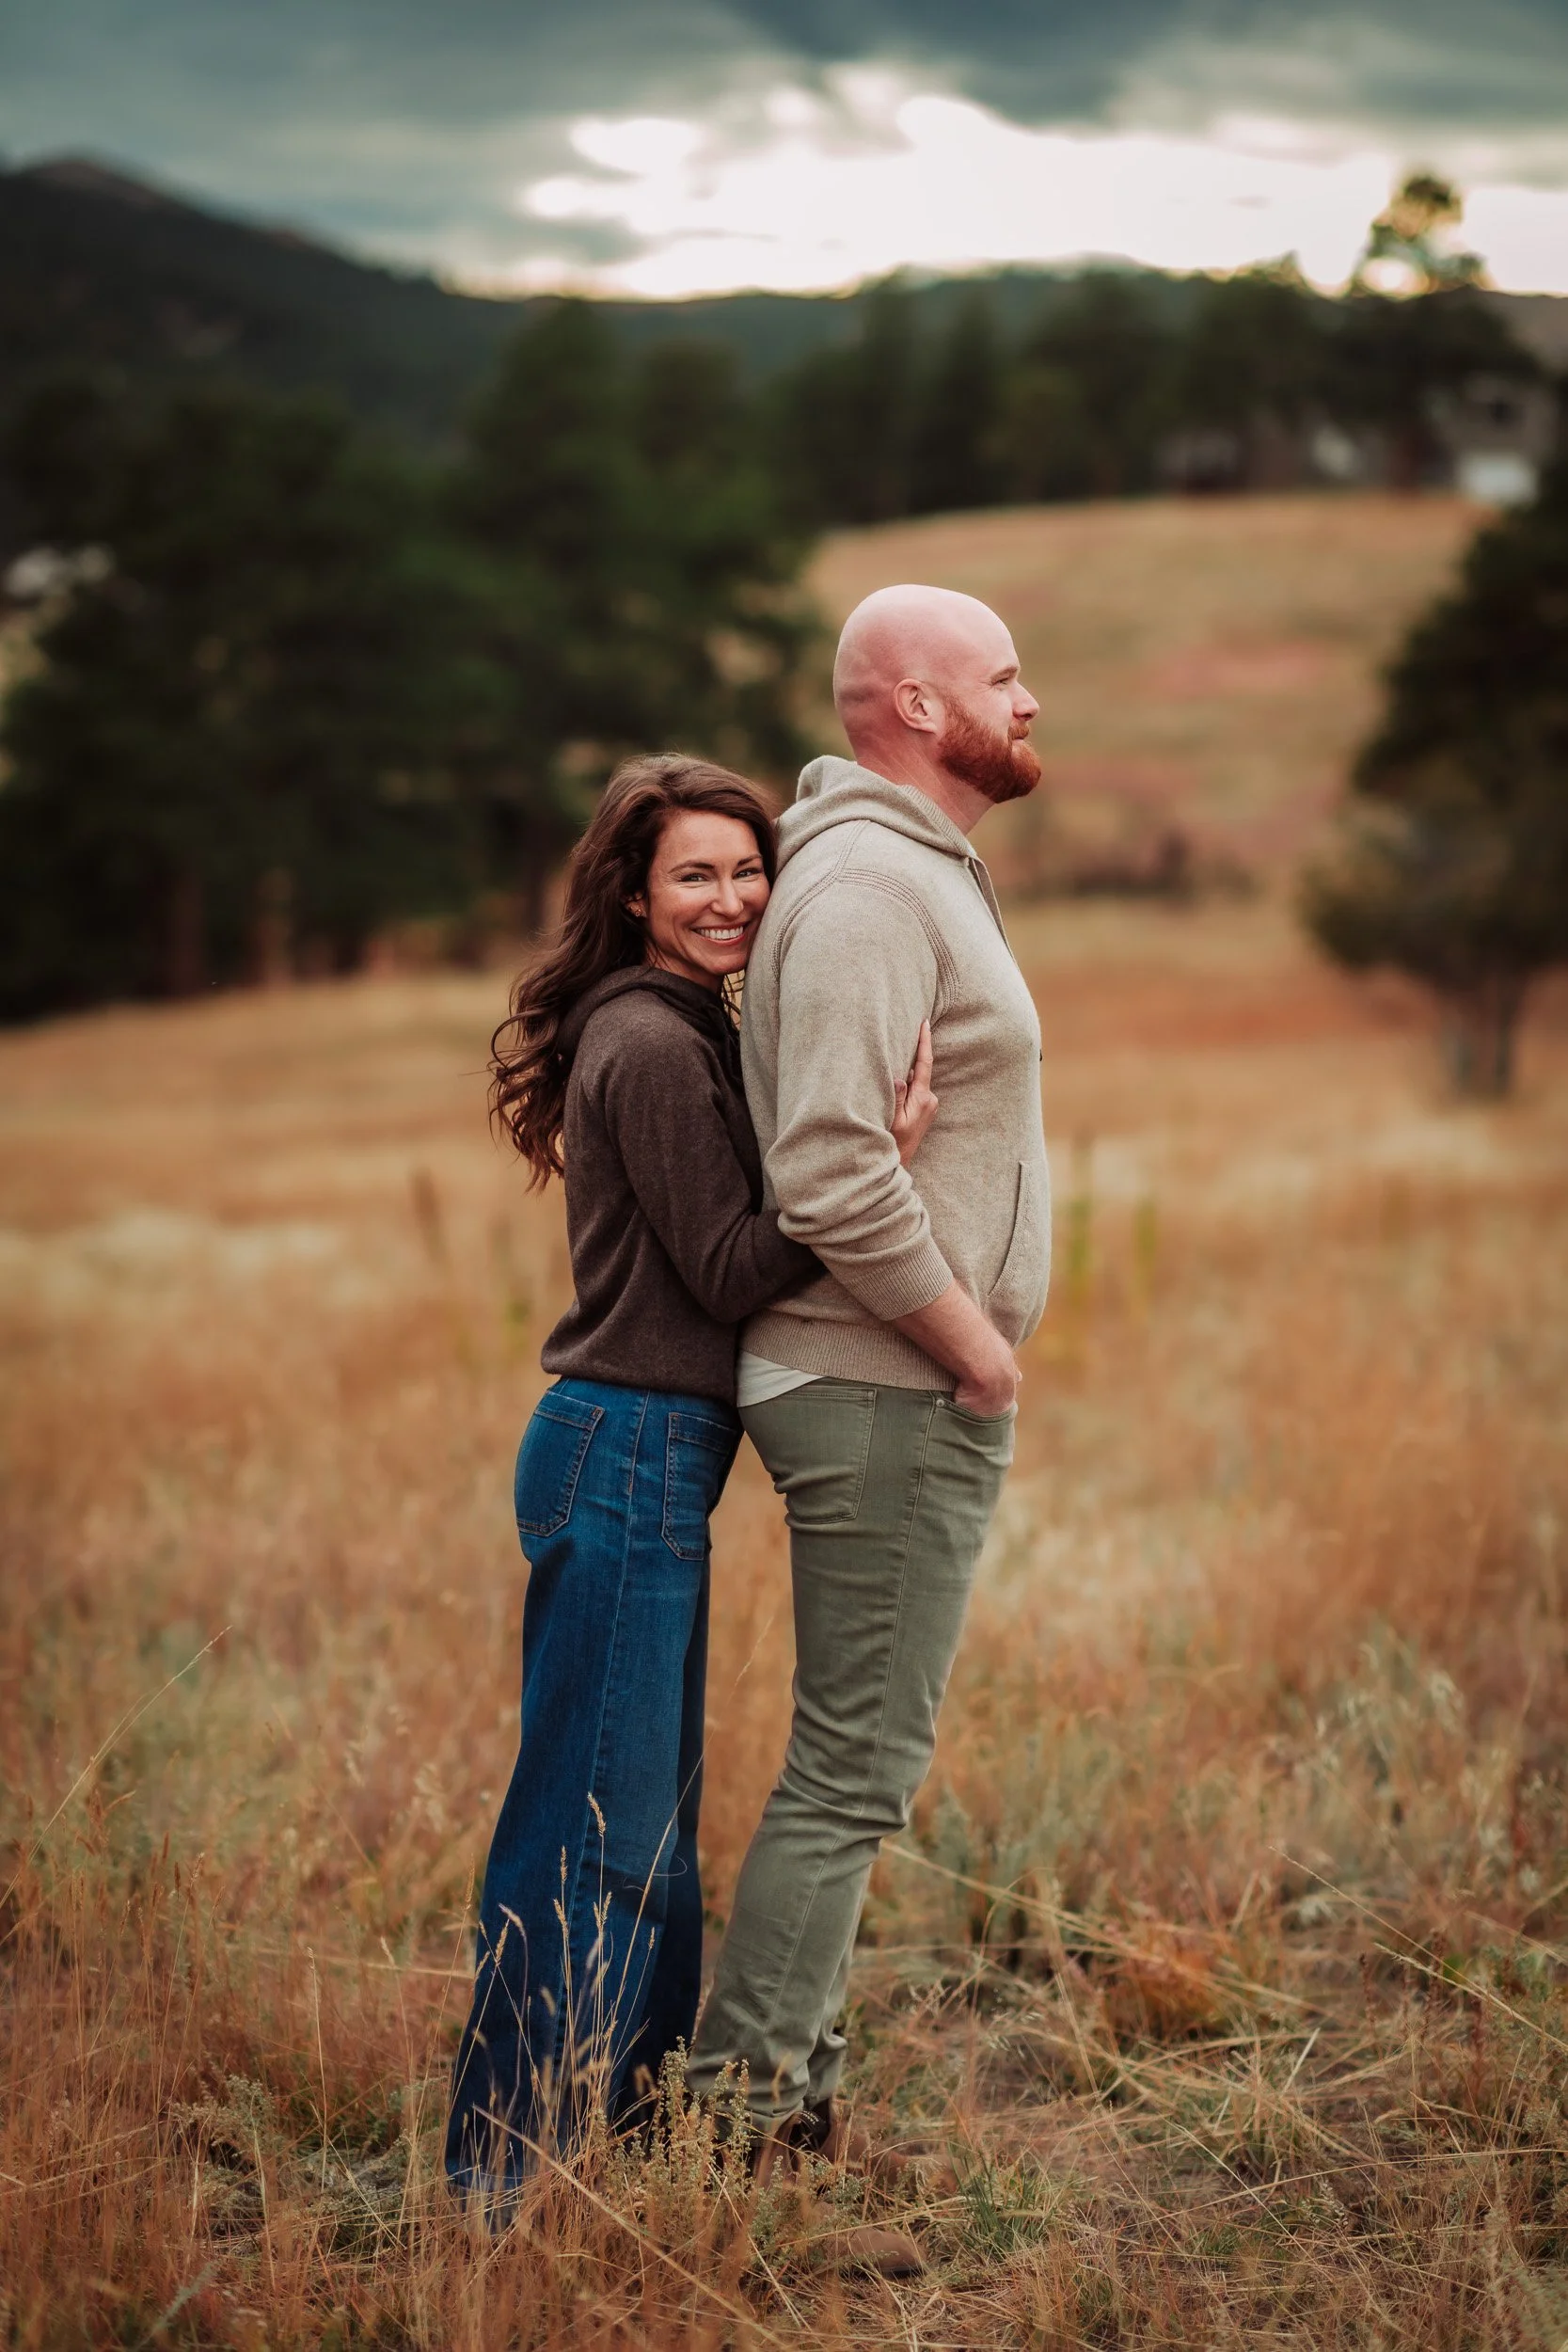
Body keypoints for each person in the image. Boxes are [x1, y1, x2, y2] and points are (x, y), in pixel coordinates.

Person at [445, 752, 936, 2203]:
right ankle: (497, 2181)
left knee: (648, 1846)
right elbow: (726, 1268)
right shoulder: (651, 1043)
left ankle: (645, 2147)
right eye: (694, 876)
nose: (730, 899)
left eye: (747, 868)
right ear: (636, 894)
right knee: (583, 1831)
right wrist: (871, 1173)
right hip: (622, 1448)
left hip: (651, 1453)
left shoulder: (676, 1023)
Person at [686, 584, 1052, 2172]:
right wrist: (975, 1356)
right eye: (1003, 677)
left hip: (881, 1383)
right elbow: (830, 1174)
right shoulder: (862, 897)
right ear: (914, 703)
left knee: (850, 1768)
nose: (1030, 702)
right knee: (851, 1775)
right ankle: (743, 2122)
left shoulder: (905, 874)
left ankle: (785, 2093)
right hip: (880, 1383)